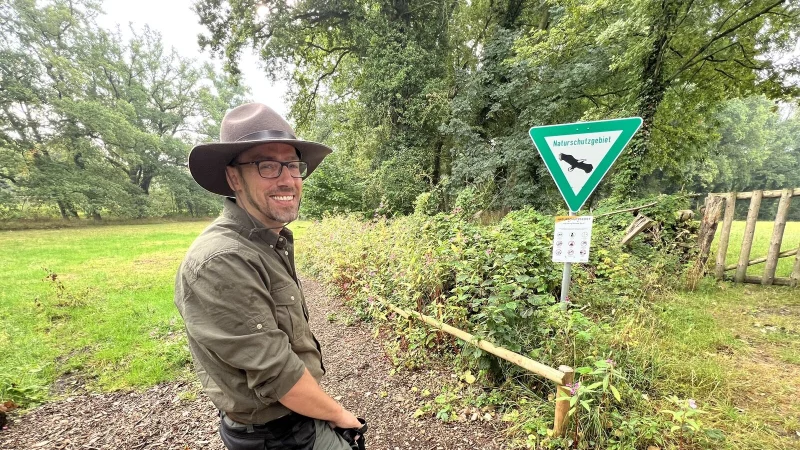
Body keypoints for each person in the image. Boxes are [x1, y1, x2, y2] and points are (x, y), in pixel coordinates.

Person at [174, 103, 364, 450]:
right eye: (267, 165)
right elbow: (278, 375)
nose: (287, 178)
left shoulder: (266, 240)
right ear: (234, 177)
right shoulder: (224, 259)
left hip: (294, 420)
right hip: (279, 435)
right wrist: (340, 415)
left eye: (292, 165)